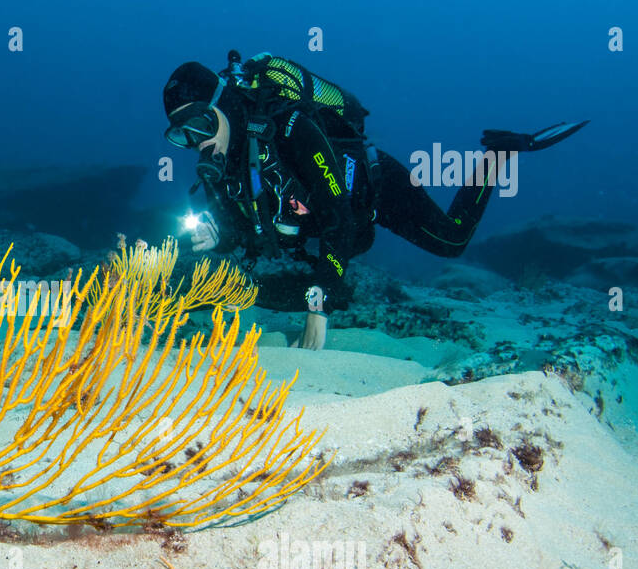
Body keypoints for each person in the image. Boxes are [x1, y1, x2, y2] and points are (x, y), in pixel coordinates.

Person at [163, 51, 588, 349]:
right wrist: (218, 237)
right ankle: (329, 289)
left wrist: (319, 304)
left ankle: (499, 152)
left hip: (372, 187)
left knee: (452, 241)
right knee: (257, 288)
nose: (197, 142)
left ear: (224, 105)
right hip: (327, 230)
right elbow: (251, 232)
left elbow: (337, 217)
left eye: (200, 124)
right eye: (181, 135)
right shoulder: (224, 164)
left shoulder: (289, 127)